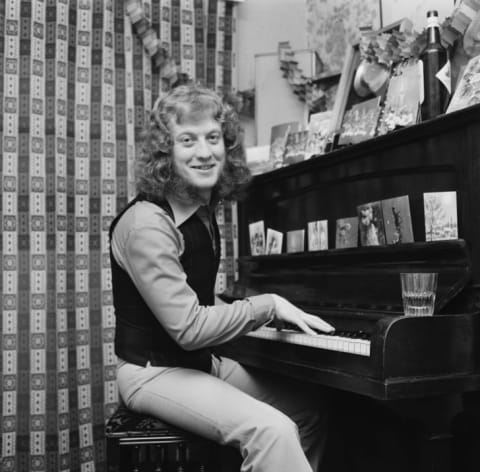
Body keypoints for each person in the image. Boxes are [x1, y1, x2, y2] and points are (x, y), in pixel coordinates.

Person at [109, 84, 335, 472]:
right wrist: (268, 306)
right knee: (273, 430)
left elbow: (198, 299)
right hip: (152, 373)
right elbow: (190, 328)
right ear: (166, 152)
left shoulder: (199, 209)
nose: (204, 152)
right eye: (187, 140)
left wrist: (258, 318)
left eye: (213, 138)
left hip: (197, 363)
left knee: (307, 412)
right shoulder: (147, 225)